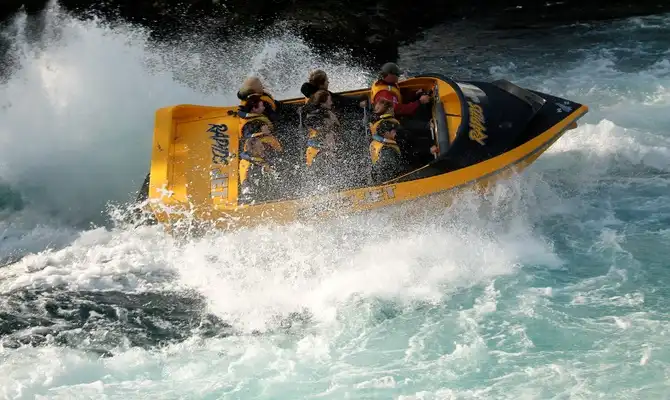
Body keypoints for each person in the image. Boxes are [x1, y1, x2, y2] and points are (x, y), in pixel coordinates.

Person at [302, 89, 343, 189]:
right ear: (322, 103)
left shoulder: (316, 114)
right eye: (329, 100)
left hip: (318, 151)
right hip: (318, 153)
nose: (332, 102)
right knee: (324, 179)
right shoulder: (319, 116)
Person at [300, 69, 367, 112]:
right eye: (326, 80)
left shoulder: (311, 95)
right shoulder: (325, 96)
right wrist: (360, 98)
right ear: (321, 84)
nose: (328, 82)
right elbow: (342, 100)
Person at [238, 94, 282, 158]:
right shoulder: (250, 124)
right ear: (254, 109)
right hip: (257, 145)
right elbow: (247, 134)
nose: (264, 107)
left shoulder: (259, 114)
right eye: (262, 106)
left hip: (267, 141)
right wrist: (262, 130)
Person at [238, 137, 280, 203]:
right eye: (260, 147)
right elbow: (246, 185)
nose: (263, 148)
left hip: (269, 196)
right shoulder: (246, 164)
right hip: (256, 201)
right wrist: (263, 169)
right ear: (252, 150)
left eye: (262, 146)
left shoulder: (262, 158)